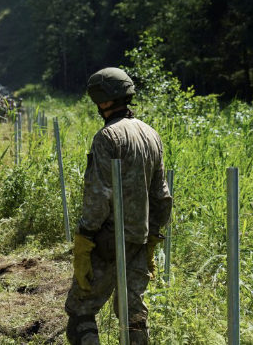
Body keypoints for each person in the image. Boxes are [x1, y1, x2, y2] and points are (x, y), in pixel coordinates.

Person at [64, 67, 172, 345]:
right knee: (133, 314)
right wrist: (154, 235)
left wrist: (85, 236)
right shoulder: (151, 134)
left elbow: (98, 195)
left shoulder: (107, 138)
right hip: (141, 237)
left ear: (102, 101)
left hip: (107, 239)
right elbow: (161, 195)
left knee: (81, 312)